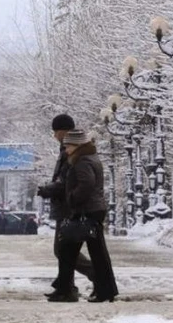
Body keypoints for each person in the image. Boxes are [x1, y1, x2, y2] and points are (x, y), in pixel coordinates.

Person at [47, 129, 118, 303]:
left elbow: (86, 184)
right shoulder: (87, 157)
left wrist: (72, 199)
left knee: (87, 251)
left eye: (68, 146)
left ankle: (103, 290)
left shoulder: (83, 161)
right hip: (91, 209)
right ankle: (65, 287)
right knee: (70, 250)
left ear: (77, 145)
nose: (66, 150)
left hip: (87, 210)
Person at [36, 114, 94, 299]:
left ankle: (97, 276)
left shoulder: (71, 152)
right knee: (64, 250)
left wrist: (48, 190)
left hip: (69, 207)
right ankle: (67, 287)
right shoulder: (67, 150)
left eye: (56, 131)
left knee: (63, 250)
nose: (54, 136)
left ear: (64, 131)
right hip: (65, 206)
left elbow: (67, 181)